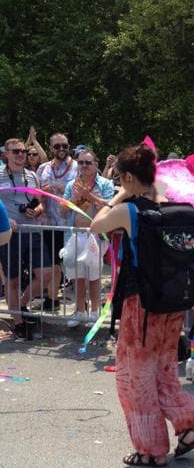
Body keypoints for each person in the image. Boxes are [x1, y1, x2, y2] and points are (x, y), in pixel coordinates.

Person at [90, 143, 194, 467]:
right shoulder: (170, 203)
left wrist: (117, 197)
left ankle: (150, 449)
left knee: (135, 376)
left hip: (141, 305)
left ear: (127, 177)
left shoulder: (130, 210)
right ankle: (186, 426)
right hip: (172, 302)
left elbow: (97, 224)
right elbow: (157, 189)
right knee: (164, 370)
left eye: (120, 178)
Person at [0, 138, 52, 336]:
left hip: (32, 230)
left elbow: (40, 202)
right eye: (16, 151)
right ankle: (19, 323)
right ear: (6, 154)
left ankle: (21, 305)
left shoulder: (31, 175)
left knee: (46, 274)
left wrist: (37, 210)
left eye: (23, 151)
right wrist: (5, 219)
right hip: (10, 234)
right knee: (12, 281)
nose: (21, 154)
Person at [61, 149, 114, 327]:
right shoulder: (71, 185)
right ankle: (79, 312)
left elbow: (110, 207)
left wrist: (89, 196)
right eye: (81, 162)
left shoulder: (105, 184)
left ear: (96, 165)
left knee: (93, 276)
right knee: (78, 277)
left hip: (96, 236)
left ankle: (95, 312)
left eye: (88, 162)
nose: (83, 166)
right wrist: (75, 198)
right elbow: (62, 211)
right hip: (75, 236)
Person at [37, 132, 79, 309]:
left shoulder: (78, 166)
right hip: (49, 224)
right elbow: (37, 194)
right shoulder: (43, 168)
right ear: (50, 148)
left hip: (71, 225)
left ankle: (81, 306)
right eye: (57, 146)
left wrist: (59, 188)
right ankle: (52, 300)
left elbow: (80, 192)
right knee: (52, 264)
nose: (61, 149)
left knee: (76, 266)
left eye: (65, 146)